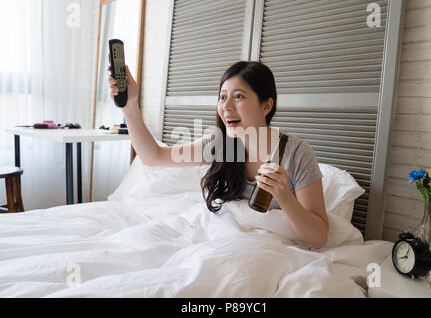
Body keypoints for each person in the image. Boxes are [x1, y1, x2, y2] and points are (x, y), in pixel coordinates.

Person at [108, 61, 329, 250]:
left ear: (266, 106)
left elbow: (318, 238)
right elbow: (153, 156)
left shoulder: (297, 154)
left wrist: (285, 198)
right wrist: (130, 106)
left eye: (239, 96)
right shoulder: (222, 145)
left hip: (265, 250)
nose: (226, 106)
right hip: (221, 241)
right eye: (223, 97)